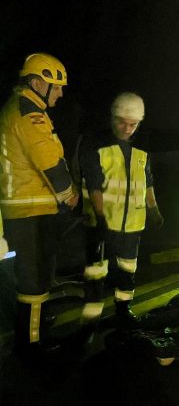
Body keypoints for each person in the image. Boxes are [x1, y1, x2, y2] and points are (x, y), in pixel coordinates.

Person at [0, 52, 79, 357]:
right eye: (55, 86)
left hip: (30, 209)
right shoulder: (28, 113)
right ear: (36, 83)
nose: (60, 93)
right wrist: (69, 195)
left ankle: (35, 330)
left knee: (37, 277)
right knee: (33, 281)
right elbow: (48, 160)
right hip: (29, 211)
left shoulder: (26, 109)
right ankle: (32, 346)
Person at [79, 92, 164, 327]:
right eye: (122, 123)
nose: (127, 129)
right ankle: (91, 317)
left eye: (133, 124)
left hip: (133, 224)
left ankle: (123, 309)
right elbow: (93, 182)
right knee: (96, 272)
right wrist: (100, 217)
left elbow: (147, 179)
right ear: (112, 118)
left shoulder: (142, 147)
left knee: (128, 268)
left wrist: (153, 209)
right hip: (102, 223)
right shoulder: (95, 143)